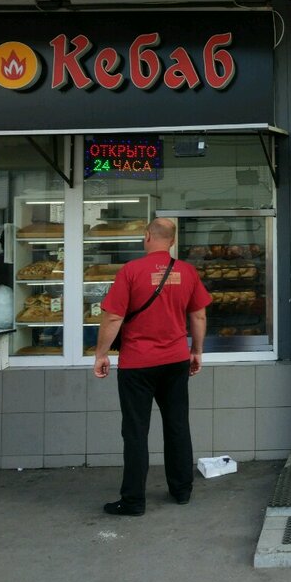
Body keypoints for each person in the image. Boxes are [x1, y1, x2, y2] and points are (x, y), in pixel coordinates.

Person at [93, 218, 210, 517]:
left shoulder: (131, 271)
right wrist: (196, 351)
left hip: (137, 364)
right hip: (175, 361)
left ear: (146, 236)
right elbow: (198, 316)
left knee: (135, 431)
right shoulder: (187, 271)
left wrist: (101, 354)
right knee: (177, 425)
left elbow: (113, 317)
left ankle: (133, 501)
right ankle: (182, 490)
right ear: (172, 241)